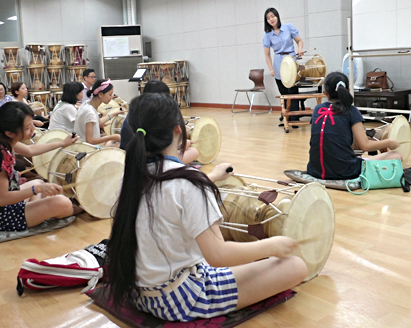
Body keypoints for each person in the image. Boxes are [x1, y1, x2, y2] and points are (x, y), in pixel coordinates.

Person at [100, 93, 307, 322]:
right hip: (179, 298)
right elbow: (218, 255)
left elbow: (172, 193)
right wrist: (272, 246)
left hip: (137, 292)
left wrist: (212, 177)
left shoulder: (131, 174)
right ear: (178, 129)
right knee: (295, 266)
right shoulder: (189, 182)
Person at [0, 101, 81, 231]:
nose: (33, 129)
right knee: (62, 203)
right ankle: (79, 208)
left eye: (32, 124)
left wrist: (62, 143)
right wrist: (38, 189)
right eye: (28, 128)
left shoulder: (1, 139)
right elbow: (2, 199)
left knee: (38, 181)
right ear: (10, 133)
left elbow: (30, 150)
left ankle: (33, 212)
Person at [307, 72, 401, 180]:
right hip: (345, 171)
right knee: (397, 156)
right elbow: (365, 146)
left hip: (314, 170)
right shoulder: (351, 111)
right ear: (347, 90)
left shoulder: (317, 109)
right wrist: (388, 142)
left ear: (325, 92)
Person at [120, 80, 200, 164]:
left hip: (130, 159)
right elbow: (159, 148)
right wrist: (179, 147)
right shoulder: (157, 118)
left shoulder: (135, 114)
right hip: (150, 160)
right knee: (193, 152)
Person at [263, 7, 305, 124]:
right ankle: (286, 117)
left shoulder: (288, 27)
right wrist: (271, 69)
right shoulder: (267, 35)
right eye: (268, 18)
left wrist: (300, 49)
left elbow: (299, 41)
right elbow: (267, 55)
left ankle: (294, 118)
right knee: (284, 92)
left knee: (293, 91)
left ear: (277, 16)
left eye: (273, 16)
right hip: (278, 63)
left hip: (291, 60)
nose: (271, 19)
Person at [75, 79, 121, 146]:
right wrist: (112, 137)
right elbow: (90, 140)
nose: (111, 97)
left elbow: (96, 122)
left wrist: (114, 113)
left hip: (84, 144)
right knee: (119, 145)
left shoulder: (87, 104)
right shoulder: (90, 112)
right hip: (87, 149)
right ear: (100, 94)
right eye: (110, 94)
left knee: (111, 141)